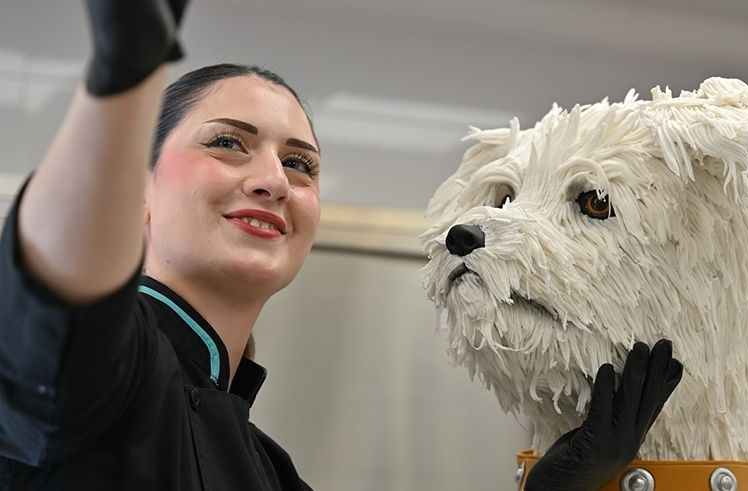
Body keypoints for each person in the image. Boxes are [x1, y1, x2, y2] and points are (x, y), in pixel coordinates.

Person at [0, 1, 681, 489]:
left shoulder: (267, 464)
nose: (273, 179)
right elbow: (57, 316)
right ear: (135, 190)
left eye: (300, 163)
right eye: (228, 142)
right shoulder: (112, 383)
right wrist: (122, 80)